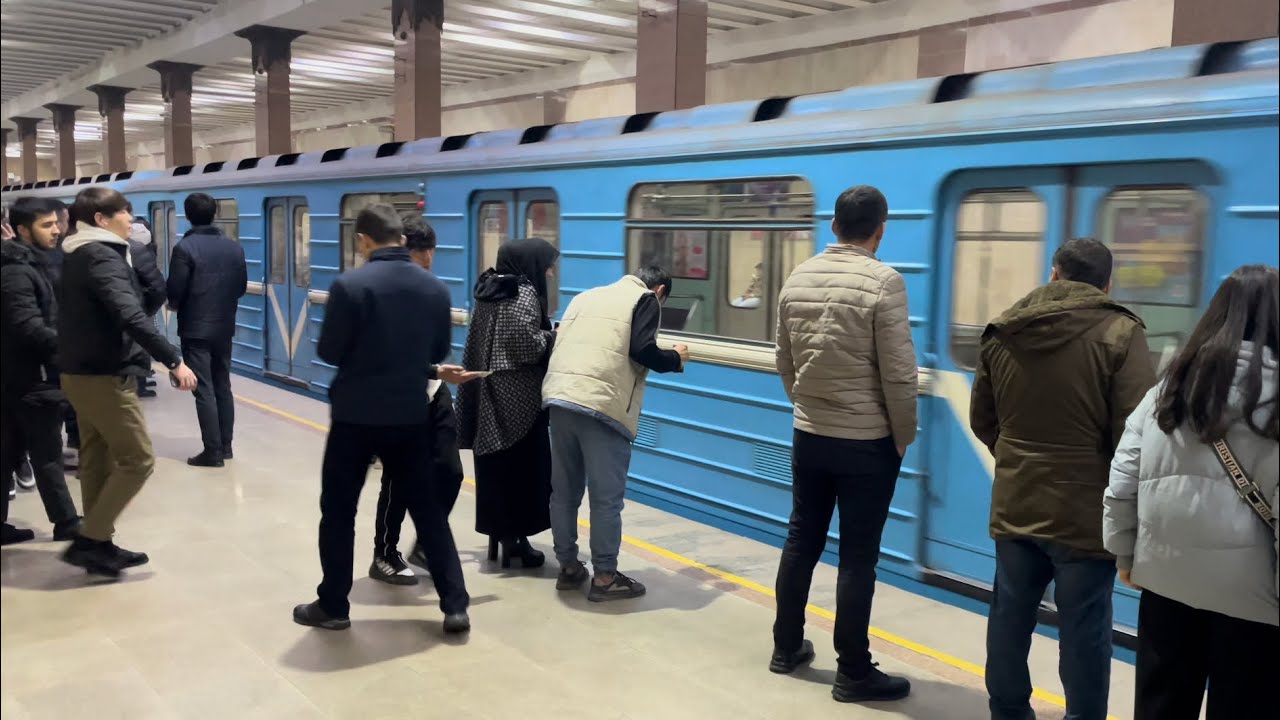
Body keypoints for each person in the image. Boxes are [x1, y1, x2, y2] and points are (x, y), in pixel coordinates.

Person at [970, 237, 1156, 720]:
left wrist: (1018, 461)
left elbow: (984, 422)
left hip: (1017, 504)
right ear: (1106, 283)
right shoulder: (1122, 332)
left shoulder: (1003, 329)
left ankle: (1008, 712)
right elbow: (1134, 434)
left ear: (1054, 275)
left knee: (1009, 618)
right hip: (1085, 516)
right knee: (1085, 630)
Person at [1103, 265, 1278, 720]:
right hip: (1256, 606)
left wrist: (1125, 556)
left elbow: (1122, 478)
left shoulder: (1170, 387)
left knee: (1160, 706)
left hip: (1165, 585)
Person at [769, 185, 918, 702]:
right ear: (880, 229)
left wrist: (807, 404)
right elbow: (899, 374)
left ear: (834, 226)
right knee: (857, 558)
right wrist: (903, 435)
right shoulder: (884, 282)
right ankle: (853, 670)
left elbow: (783, 359)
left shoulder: (798, 276)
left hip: (810, 435)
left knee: (800, 539)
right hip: (865, 444)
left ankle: (786, 648)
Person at [294, 205, 469, 633]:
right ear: (403, 240)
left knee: (338, 511)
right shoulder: (435, 290)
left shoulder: (350, 286)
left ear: (364, 240)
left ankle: (333, 605)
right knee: (427, 511)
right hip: (409, 415)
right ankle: (454, 606)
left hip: (355, 417)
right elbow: (437, 353)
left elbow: (330, 353)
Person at [56, 187, 197, 578]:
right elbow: (130, 316)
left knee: (97, 457)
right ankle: (89, 540)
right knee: (138, 459)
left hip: (81, 371)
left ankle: (99, 545)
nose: (131, 221)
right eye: (125, 213)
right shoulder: (102, 256)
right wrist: (173, 359)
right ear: (102, 220)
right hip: (102, 373)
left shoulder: (80, 252)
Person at [542, 266, 687, 601]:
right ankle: (605, 577)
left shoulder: (585, 297)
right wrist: (675, 358)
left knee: (563, 492)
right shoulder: (645, 299)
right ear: (660, 289)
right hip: (601, 408)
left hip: (561, 399)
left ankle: (567, 567)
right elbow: (643, 350)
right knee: (606, 499)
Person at [369, 214, 478, 585]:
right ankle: (384, 553)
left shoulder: (429, 290)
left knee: (451, 473)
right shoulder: (383, 291)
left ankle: (426, 545)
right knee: (397, 481)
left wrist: (437, 371)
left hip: (433, 394)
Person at [455, 238, 559, 569]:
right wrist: (554, 336)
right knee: (525, 471)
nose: (550, 272)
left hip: (488, 393)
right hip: (519, 400)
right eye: (546, 265)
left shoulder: (490, 289)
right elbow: (527, 346)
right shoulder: (522, 292)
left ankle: (504, 535)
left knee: (496, 470)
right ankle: (516, 540)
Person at [1, 198, 81, 545]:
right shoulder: (18, 270)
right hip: (33, 377)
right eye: (46, 225)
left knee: (8, 453)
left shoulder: (27, 263)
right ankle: (66, 522)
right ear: (22, 230)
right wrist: (70, 349)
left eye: (56, 223)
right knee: (47, 453)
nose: (57, 230)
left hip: (17, 376)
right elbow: (27, 325)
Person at [166, 192, 248, 467]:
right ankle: (225, 447)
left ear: (188, 216)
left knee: (203, 389)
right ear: (214, 213)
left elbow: (175, 289)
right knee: (223, 384)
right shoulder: (234, 247)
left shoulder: (184, 249)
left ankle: (212, 452)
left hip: (195, 329)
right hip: (224, 326)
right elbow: (241, 288)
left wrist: (175, 304)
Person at [126, 213, 166, 399]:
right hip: (142, 308)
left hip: (132, 309)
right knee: (143, 344)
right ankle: (141, 381)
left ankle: (139, 380)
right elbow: (156, 287)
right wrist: (147, 310)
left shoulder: (125, 250)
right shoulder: (142, 250)